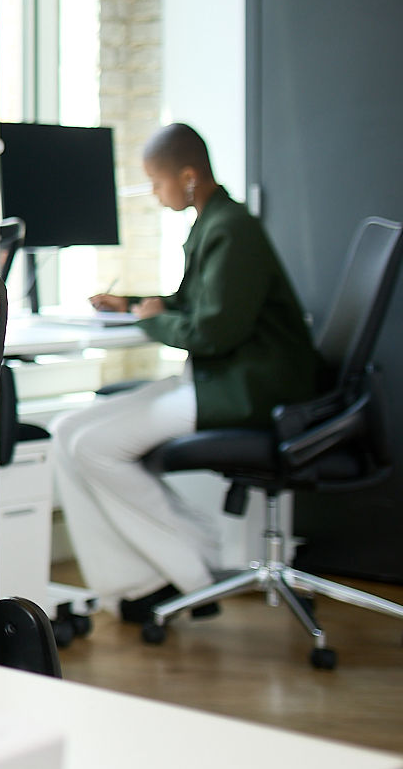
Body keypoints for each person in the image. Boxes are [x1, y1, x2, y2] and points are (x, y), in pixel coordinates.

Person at [55, 122, 319, 619]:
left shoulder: (232, 229)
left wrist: (152, 323)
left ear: (189, 176)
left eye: (157, 183)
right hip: (220, 378)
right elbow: (191, 304)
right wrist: (132, 303)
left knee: (92, 445)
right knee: (66, 429)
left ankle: (191, 572)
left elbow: (214, 330)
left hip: (246, 387)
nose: (155, 195)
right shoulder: (214, 223)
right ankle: (137, 585)